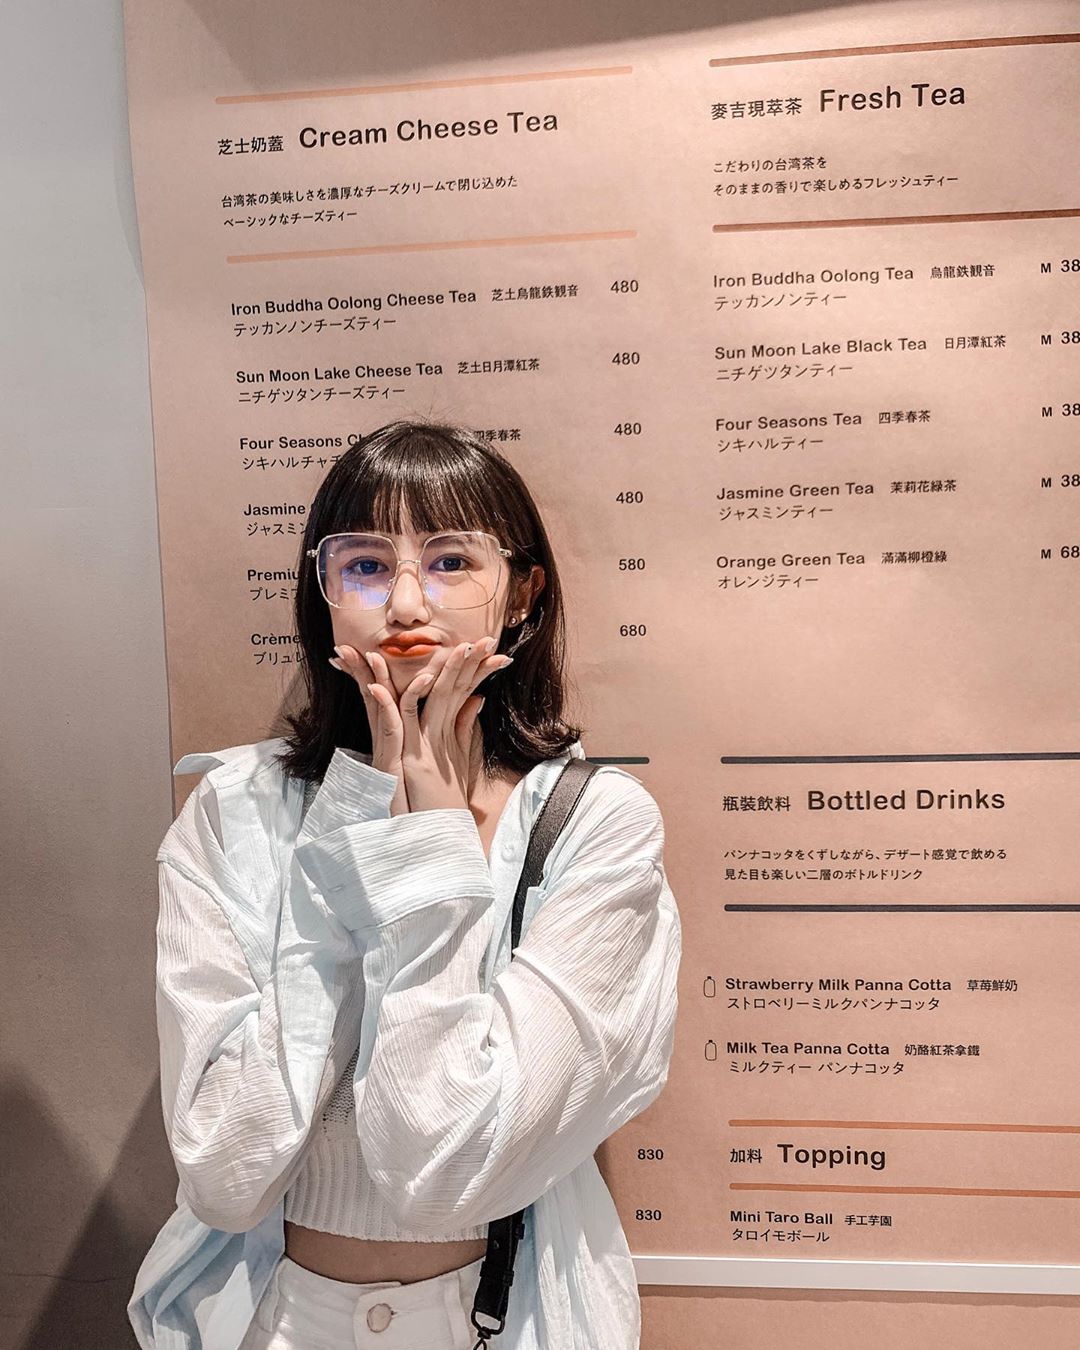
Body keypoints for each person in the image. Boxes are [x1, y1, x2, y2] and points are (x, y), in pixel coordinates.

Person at [128, 419, 682, 1350]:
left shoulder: (596, 825)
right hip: (269, 1317)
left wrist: (429, 848)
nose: (408, 602)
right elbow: (225, 1174)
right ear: (323, 594)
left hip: (502, 1316)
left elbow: (442, 1172)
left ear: (524, 593)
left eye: (453, 561)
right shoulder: (235, 811)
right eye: (366, 566)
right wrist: (354, 827)